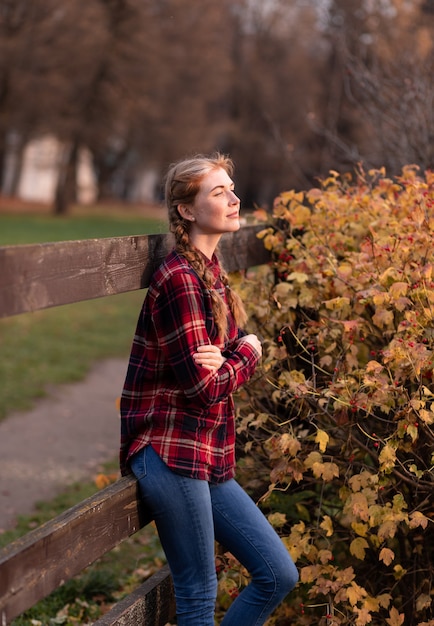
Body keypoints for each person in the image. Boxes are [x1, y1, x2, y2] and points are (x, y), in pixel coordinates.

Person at [120, 153, 298, 625]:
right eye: (218, 192)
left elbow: (226, 357)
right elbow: (205, 386)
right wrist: (249, 353)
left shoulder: (212, 273)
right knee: (198, 596)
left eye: (232, 188)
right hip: (169, 449)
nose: (234, 198)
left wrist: (234, 355)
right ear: (186, 210)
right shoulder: (180, 279)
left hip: (206, 452)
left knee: (278, 574)